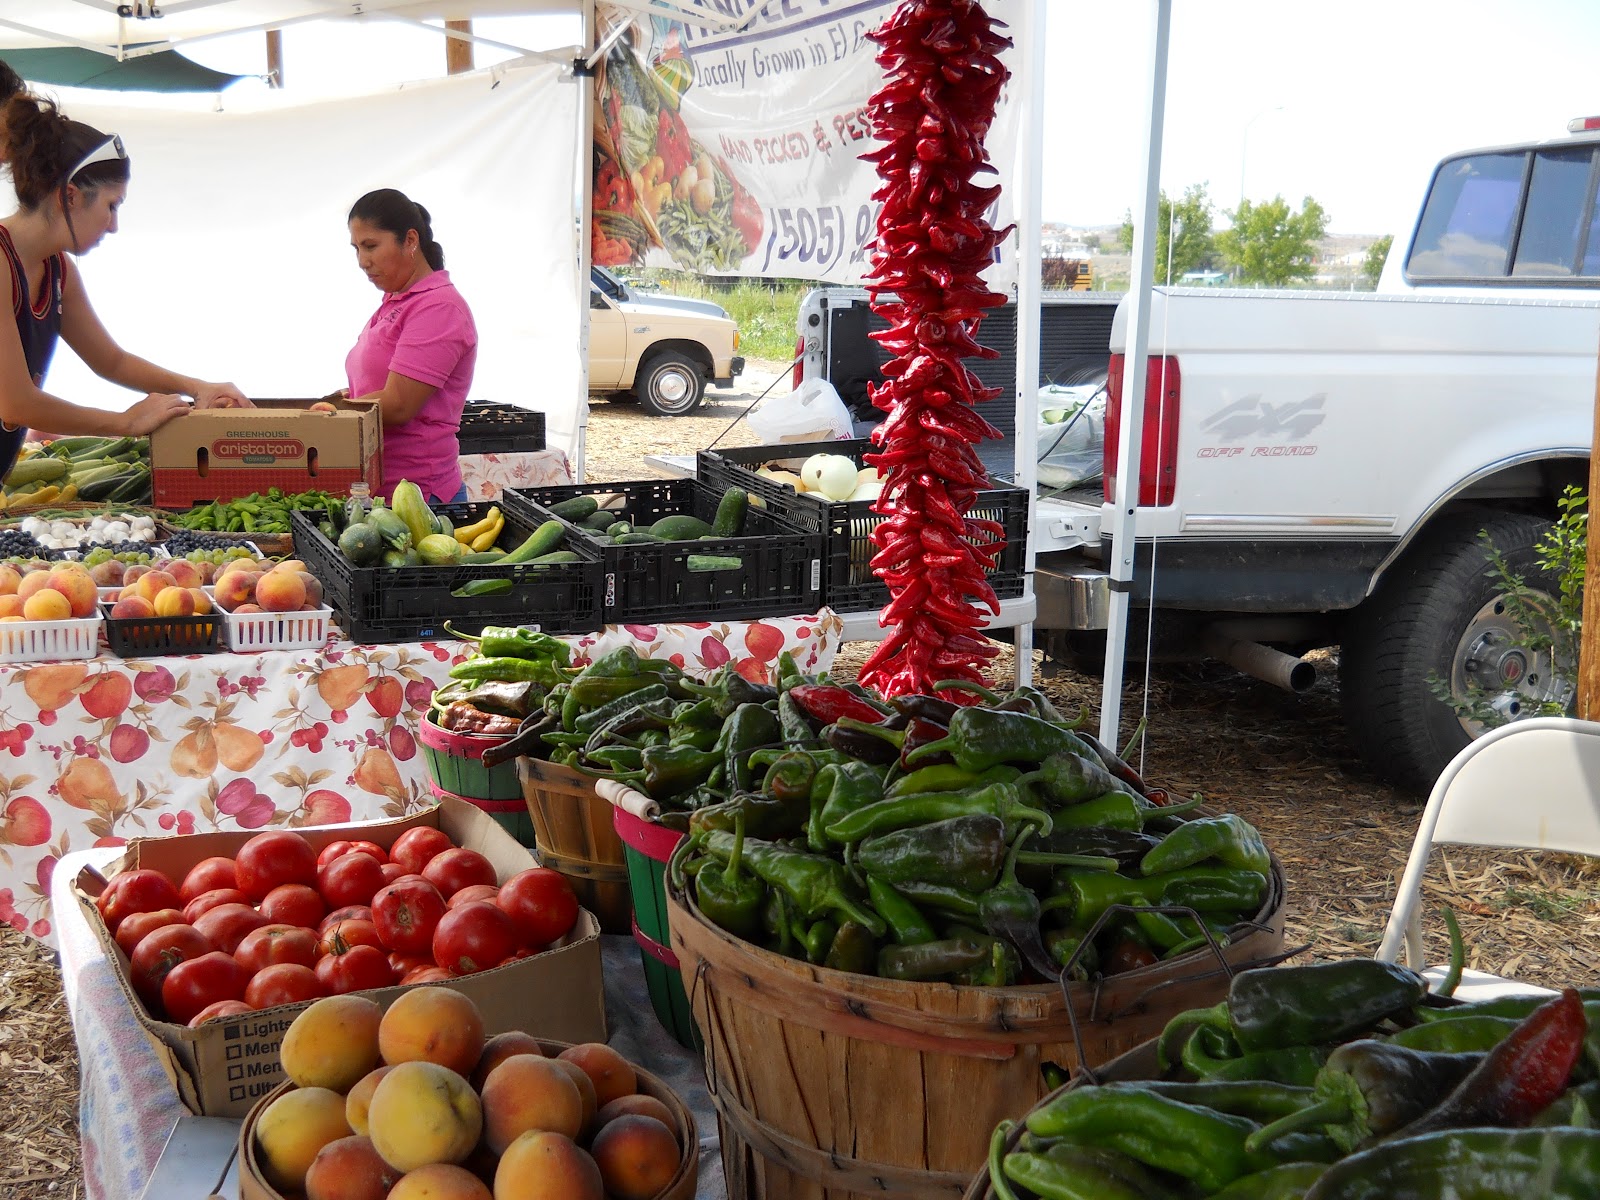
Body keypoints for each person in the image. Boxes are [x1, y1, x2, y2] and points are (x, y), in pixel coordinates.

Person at [0, 95, 248, 481]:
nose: (113, 225)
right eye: (112, 206)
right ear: (70, 195)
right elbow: (15, 404)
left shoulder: (59, 270)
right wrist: (125, 422)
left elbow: (110, 361)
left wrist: (196, 387)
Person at [343, 188, 477, 504]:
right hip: (379, 492)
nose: (363, 261)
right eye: (356, 249)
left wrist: (323, 415)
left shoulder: (439, 308)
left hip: (418, 497)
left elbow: (399, 404)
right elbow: (373, 388)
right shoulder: (396, 302)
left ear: (410, 240)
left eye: (371, 246)